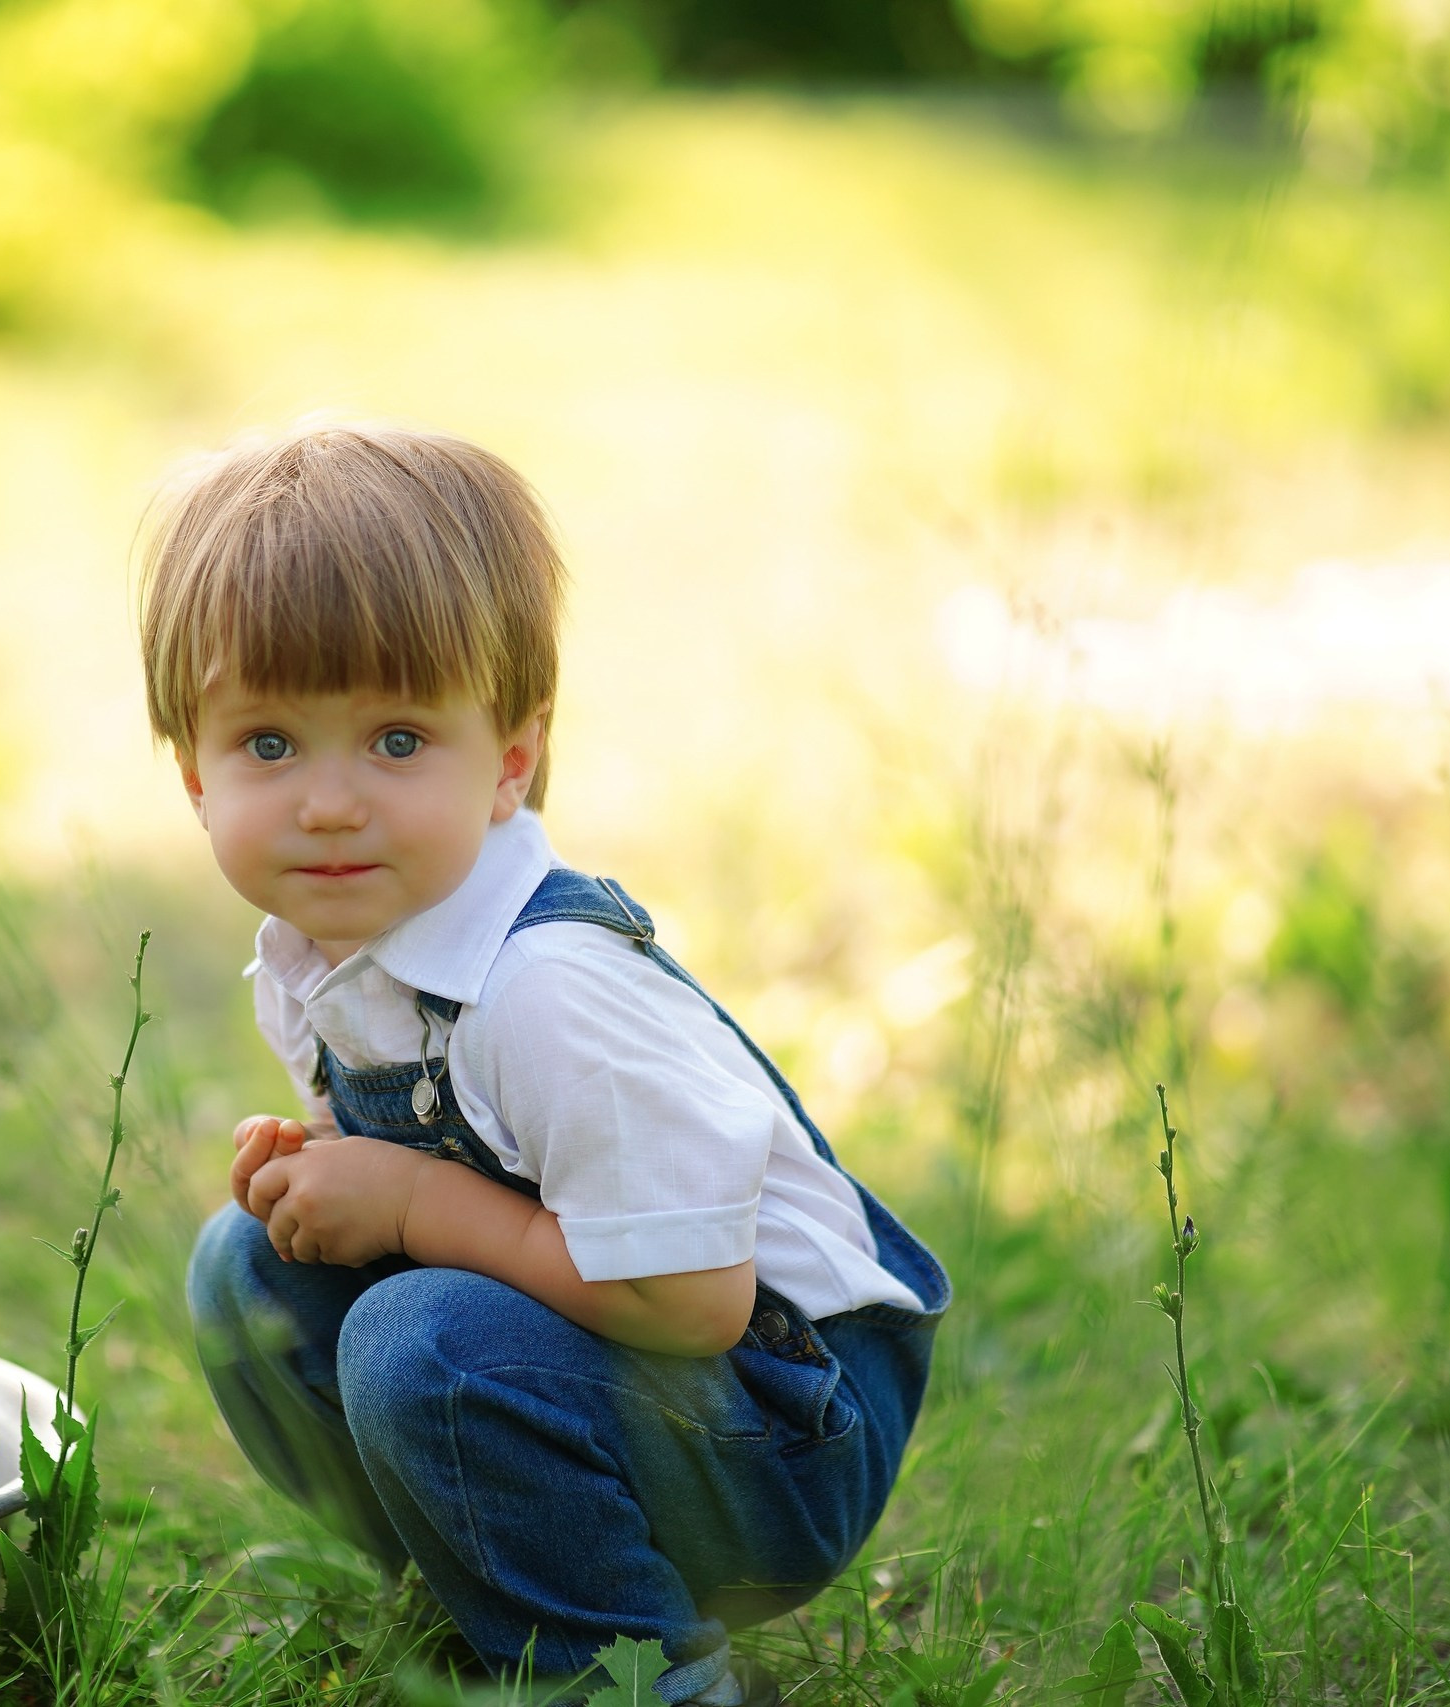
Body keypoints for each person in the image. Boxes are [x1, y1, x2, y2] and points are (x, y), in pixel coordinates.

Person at [142, 421, 949, 1706]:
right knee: (244, 1269)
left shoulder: (546, 993)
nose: (331, 801)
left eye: (398, 740)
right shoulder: (311, 953)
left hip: (782, 1423)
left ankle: (640, 1672)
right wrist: (325, 1179)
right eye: (270, 745)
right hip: (622, 1375)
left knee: (420, 1338)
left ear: (509, 759)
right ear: (193, 772)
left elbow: (696, 1304)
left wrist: (405, 1203)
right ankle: (488, 1591)